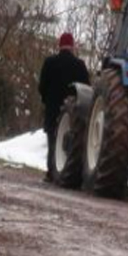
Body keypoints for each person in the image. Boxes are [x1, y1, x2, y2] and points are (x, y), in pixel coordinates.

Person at [38, 32, 90, 183]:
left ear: (59, 45)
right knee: (69, 142)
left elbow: (42, 87)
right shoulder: (80, 65)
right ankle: (66, 170)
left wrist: (46, 100)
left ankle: (50, 172)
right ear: (72, 46)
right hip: (74, 112)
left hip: (52, 107)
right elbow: (87, 90)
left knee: (52, 141)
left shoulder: (49, 62)